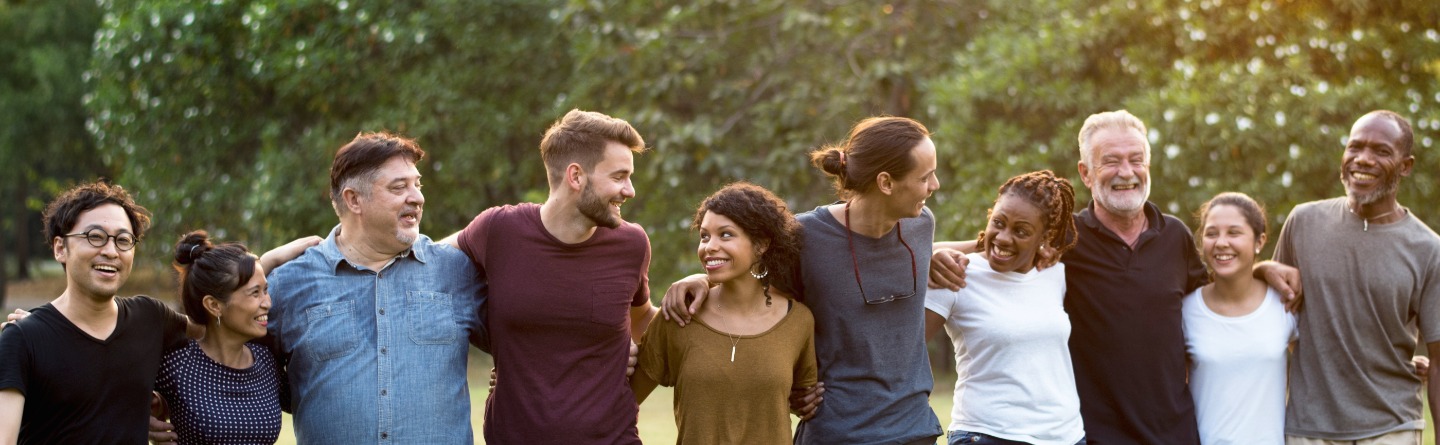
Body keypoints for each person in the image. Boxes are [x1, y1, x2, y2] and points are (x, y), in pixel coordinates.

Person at [928, 110, 1298, 444]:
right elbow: (998, 243)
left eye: (1137, 160)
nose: (1126, 171)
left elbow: (1218, 295)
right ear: (1086, 173)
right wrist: (936, 255)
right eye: (1111, 161)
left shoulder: (1176, 236)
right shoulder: (1064, 237)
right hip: (1094, 434)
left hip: (1173, 433)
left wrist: (1260, 269)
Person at [662, 116, 944, 445]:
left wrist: (965, 249)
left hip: (916, 430)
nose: (935, 185)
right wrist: (702, 280)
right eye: (925, 177)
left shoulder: (921, 224)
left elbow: (923, 254)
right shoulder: (805, 237)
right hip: (837, 433)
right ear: (886, 183)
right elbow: (755, 296)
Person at [262, 132, 489, 444]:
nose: (417, 197)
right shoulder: (287, 284)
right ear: (354, 199)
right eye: (399, 187)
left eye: (417, 185)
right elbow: (236, 365)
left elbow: (525, 344)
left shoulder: (457, 271)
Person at [448, 109, 658, 444]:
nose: (629, 190)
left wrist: (700, 290)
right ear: (576, 176)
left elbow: (644, 320)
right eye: (619, 177)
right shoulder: (499, 230)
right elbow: (424, 261)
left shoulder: (631, 244)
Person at [1275, 110, 1440, 444]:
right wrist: (1260, 268)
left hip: (1392, 427)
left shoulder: (1429, 249)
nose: (1363, 159)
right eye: (1355, 147)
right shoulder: (1302, 222)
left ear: (1406, 166)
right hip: (1309, 427)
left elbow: (1438, 361)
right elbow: (1270, 315)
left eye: (1381, 151)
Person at [0, 181, 194, 444]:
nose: (111, 251)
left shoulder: (150, 318)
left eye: (123, 240)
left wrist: (267, 262)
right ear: (60, 248)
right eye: (95, 237)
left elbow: (221, 324)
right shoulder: (23, 338)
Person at [632, 182, 817, 444]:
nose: (709, 247)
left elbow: (803, 400)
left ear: (762, 244)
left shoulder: (798, 320)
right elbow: (624, 404)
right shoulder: (679, 314)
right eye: (704, 236)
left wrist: (811, 397)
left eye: (726, 235)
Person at [924, 170, 1085, 445]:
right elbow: (904, 352)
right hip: (987, 433)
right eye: (998, 223)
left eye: (1021, 231)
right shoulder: (956, 271)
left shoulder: (1055, 273)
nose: (1004, 238)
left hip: (1066, 436)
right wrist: (940, 253)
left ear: (1044, 238)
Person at [154, 231, 288, 444]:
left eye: (266, 290)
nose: (267, 302)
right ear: (214, 305)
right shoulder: (176, 366)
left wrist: (277, 257)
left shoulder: (267, 363)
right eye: (255, 293)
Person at [1183, 193, 1294, 445]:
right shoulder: (1186, 310)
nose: (1221, 243)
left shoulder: (1284, 304)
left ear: (1259, 241)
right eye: (1212, 234)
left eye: (1234, 233)